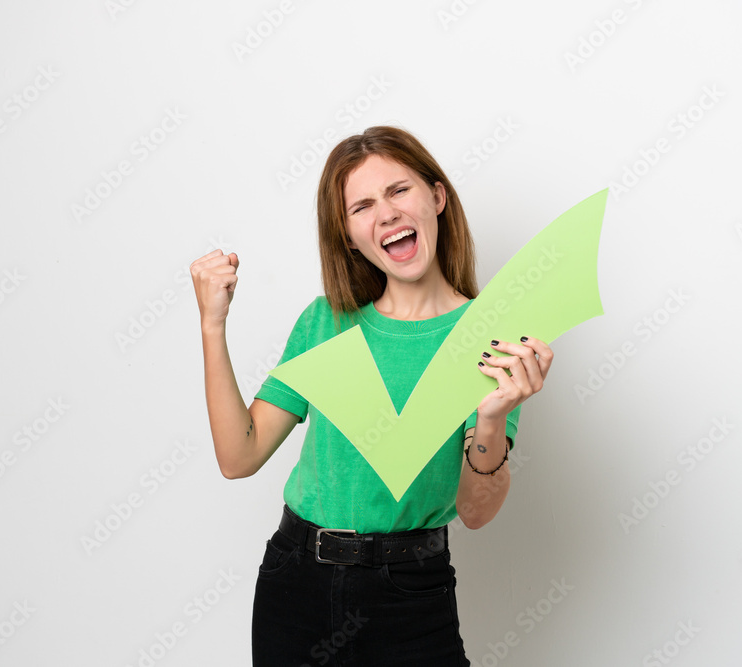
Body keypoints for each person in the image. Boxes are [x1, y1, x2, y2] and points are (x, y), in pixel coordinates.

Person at [189, 125, 553, 665]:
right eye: (361, 206)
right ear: (348, 236)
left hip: (412, 593)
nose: (385, 214)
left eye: (399, 190)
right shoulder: (326, 323)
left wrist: (493, 417)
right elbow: (238, 457)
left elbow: (476, 513)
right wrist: (212, 325)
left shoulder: (489, 338)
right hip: (296, 581)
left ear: (437, 197)